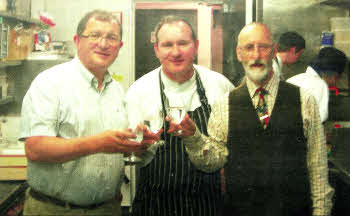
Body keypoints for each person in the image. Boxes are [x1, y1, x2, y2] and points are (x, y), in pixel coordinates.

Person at [175, 23, 333, 216]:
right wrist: (194, 138)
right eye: (249, 48)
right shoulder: (225, 104)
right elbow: (213, 162)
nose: (256, 55)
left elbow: (317, 166)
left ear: (274, 51)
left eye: (263, 47)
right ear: (239, 53)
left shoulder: (304, 99)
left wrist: (321, 212)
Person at [19, 10, 158, 216]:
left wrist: (136, 145)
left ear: (119, 46)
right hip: (55, 210)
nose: (103, 44)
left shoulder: (116, 90)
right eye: (94, 35)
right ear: (77, 40)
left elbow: (114, 149)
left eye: (112, 37)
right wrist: (99, 143)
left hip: (108, 209)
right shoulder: (50, 83)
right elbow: (36, 149)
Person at [125, 15, 234, 216]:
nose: (175, 52)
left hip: (208, 205)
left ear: (196, 45)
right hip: (154, 204)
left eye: (183, 43)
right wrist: (137, 146)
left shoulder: (220, 86)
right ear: (157, 50)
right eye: (167, 45)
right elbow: (129, 154)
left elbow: (233, 147)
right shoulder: (138, 92)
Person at [286, 47, 347, 123]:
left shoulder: (292, 79)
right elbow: (319, 121)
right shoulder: (321, 85)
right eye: (338, 78)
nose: (335, 82)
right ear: (333, 75)